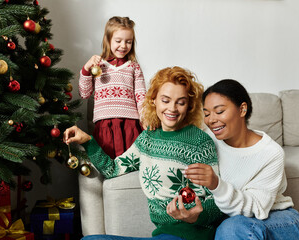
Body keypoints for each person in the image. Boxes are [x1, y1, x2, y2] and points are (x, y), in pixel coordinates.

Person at [64, 66, 226, 240]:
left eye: (181, 102)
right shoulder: (147, 139)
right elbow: (112, 169)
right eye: (165, 100)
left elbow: (217, 199)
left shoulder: (199, 142)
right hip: (163, 235)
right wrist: (87, 141)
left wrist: (195, 216)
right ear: (154, 100)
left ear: (189, 106)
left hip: (192, 235)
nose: (172, 108)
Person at [179, 79, 299, 239]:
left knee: (230, 228)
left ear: (242, 109)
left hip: (277, 218)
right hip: (234, 221)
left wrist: (216, 184)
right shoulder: (207, 139)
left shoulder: (271, 153)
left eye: (219, 112)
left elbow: (254, 207)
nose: (211, 120)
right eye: (206, 113)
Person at [79, 16, 146, 159]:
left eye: (128, 42)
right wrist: (86, 68)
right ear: (108, 40)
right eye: (118, 41)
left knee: (130, 165)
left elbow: (141, 96)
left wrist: (145, 118)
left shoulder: (134, 67)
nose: (123, 46)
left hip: (130, 125)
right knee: (107, 164)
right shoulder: (98, 65)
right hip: (105, 125)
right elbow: (84, 93)